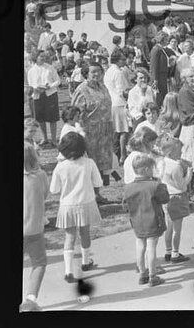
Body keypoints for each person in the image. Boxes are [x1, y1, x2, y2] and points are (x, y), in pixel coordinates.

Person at [50, 132, 102, 283]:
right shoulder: (89, 163)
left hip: (68, 205)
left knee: (69, 236)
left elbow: (54, 189)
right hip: (86, 202)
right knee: (85, 233)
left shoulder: (60, 166)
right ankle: (85, 262)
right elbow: (98, 182)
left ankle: (68, 271)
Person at [122, 155, 170, 287]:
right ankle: (153, 276)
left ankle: (142, 273)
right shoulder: (155, 185)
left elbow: (125, 206)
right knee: (151, 247)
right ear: (147, 169)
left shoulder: (128, 187)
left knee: (140, 246)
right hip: (153, 220)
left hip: (137, 221)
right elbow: (165, 199)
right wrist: (161, 183)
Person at [70, 62, 118, 190]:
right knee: (91, 164)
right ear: (86, 74)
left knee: (102, 165)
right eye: (93, 71)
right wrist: (79, 132)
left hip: (105, 132)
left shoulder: (102, 86)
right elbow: (74, 113)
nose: (97, 74)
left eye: (99, 71)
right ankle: (90, 193)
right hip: (90, 133)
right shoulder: (82, 90)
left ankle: (97, 192)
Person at [22, 142, 49, 312]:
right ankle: (30, 299)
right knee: (39, 263)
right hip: (34, 228)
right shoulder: (41, 175)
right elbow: (45, 195)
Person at [157, 134, 191, 264]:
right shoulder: (176, 167)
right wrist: (189, 174)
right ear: (171, 152)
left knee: (169, 226)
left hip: (166, 196)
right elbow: (181, 185)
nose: (181, 153)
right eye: (179, 150)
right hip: (177, 197)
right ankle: (175, 253)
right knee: (177, 228)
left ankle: (168, 251)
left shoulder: (162, 163)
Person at [27, 50, 61, 147]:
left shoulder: (50, 68)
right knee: (40, 118)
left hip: (50, 94)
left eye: (44, 56)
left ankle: (54, 140)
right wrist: (36, 88)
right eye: (40, 56)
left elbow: (58, 81)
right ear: (35, 57)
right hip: (38, 96)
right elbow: (31, 84)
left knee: (52, 118)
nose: (43, 58)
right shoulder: (31, 71)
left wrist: (49, 86)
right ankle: (44, 138)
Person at [149, 32, 174, 107]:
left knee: (163, 95)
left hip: (163, 77)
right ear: (161, 39)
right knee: (158, 97)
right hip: (158, 78)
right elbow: (154, 65)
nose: (167, 41)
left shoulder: (161, 49)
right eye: (166, 39)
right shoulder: (156, 49)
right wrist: (155, 79)